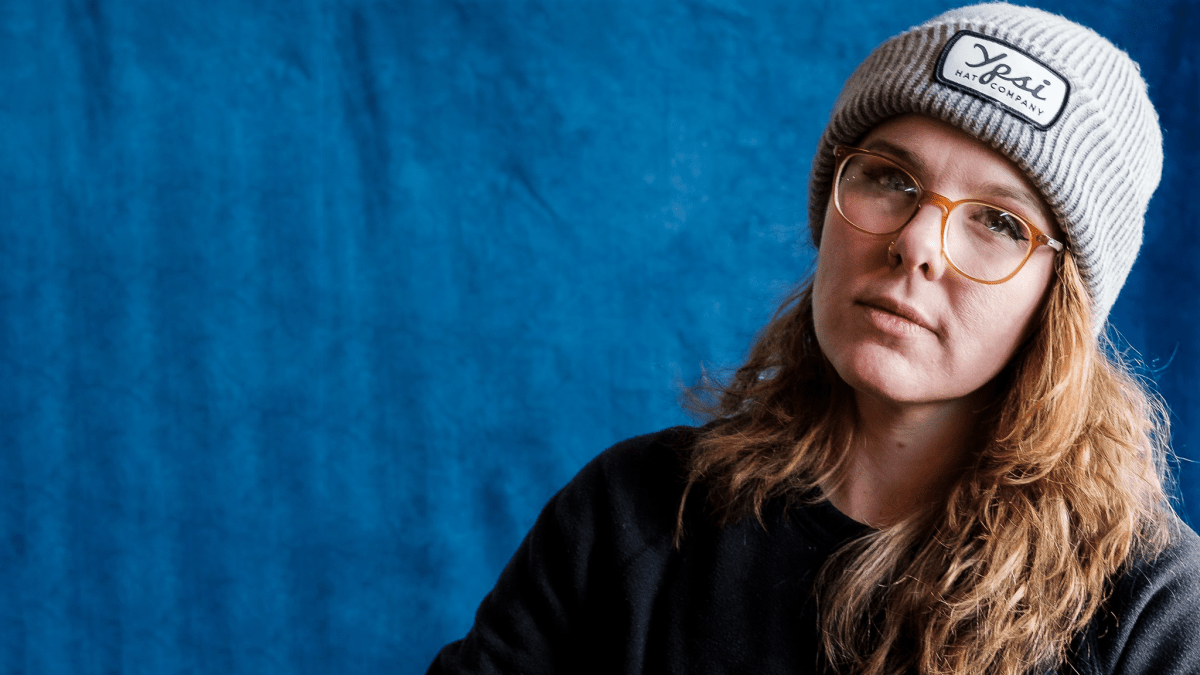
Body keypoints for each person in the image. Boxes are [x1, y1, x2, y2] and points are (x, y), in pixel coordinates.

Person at [427, 4, 1200, 674]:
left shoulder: (1152, 611)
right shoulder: (631, 516)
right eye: (890, 178)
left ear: (1058, 302)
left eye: (999, 221)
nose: (918, 243)